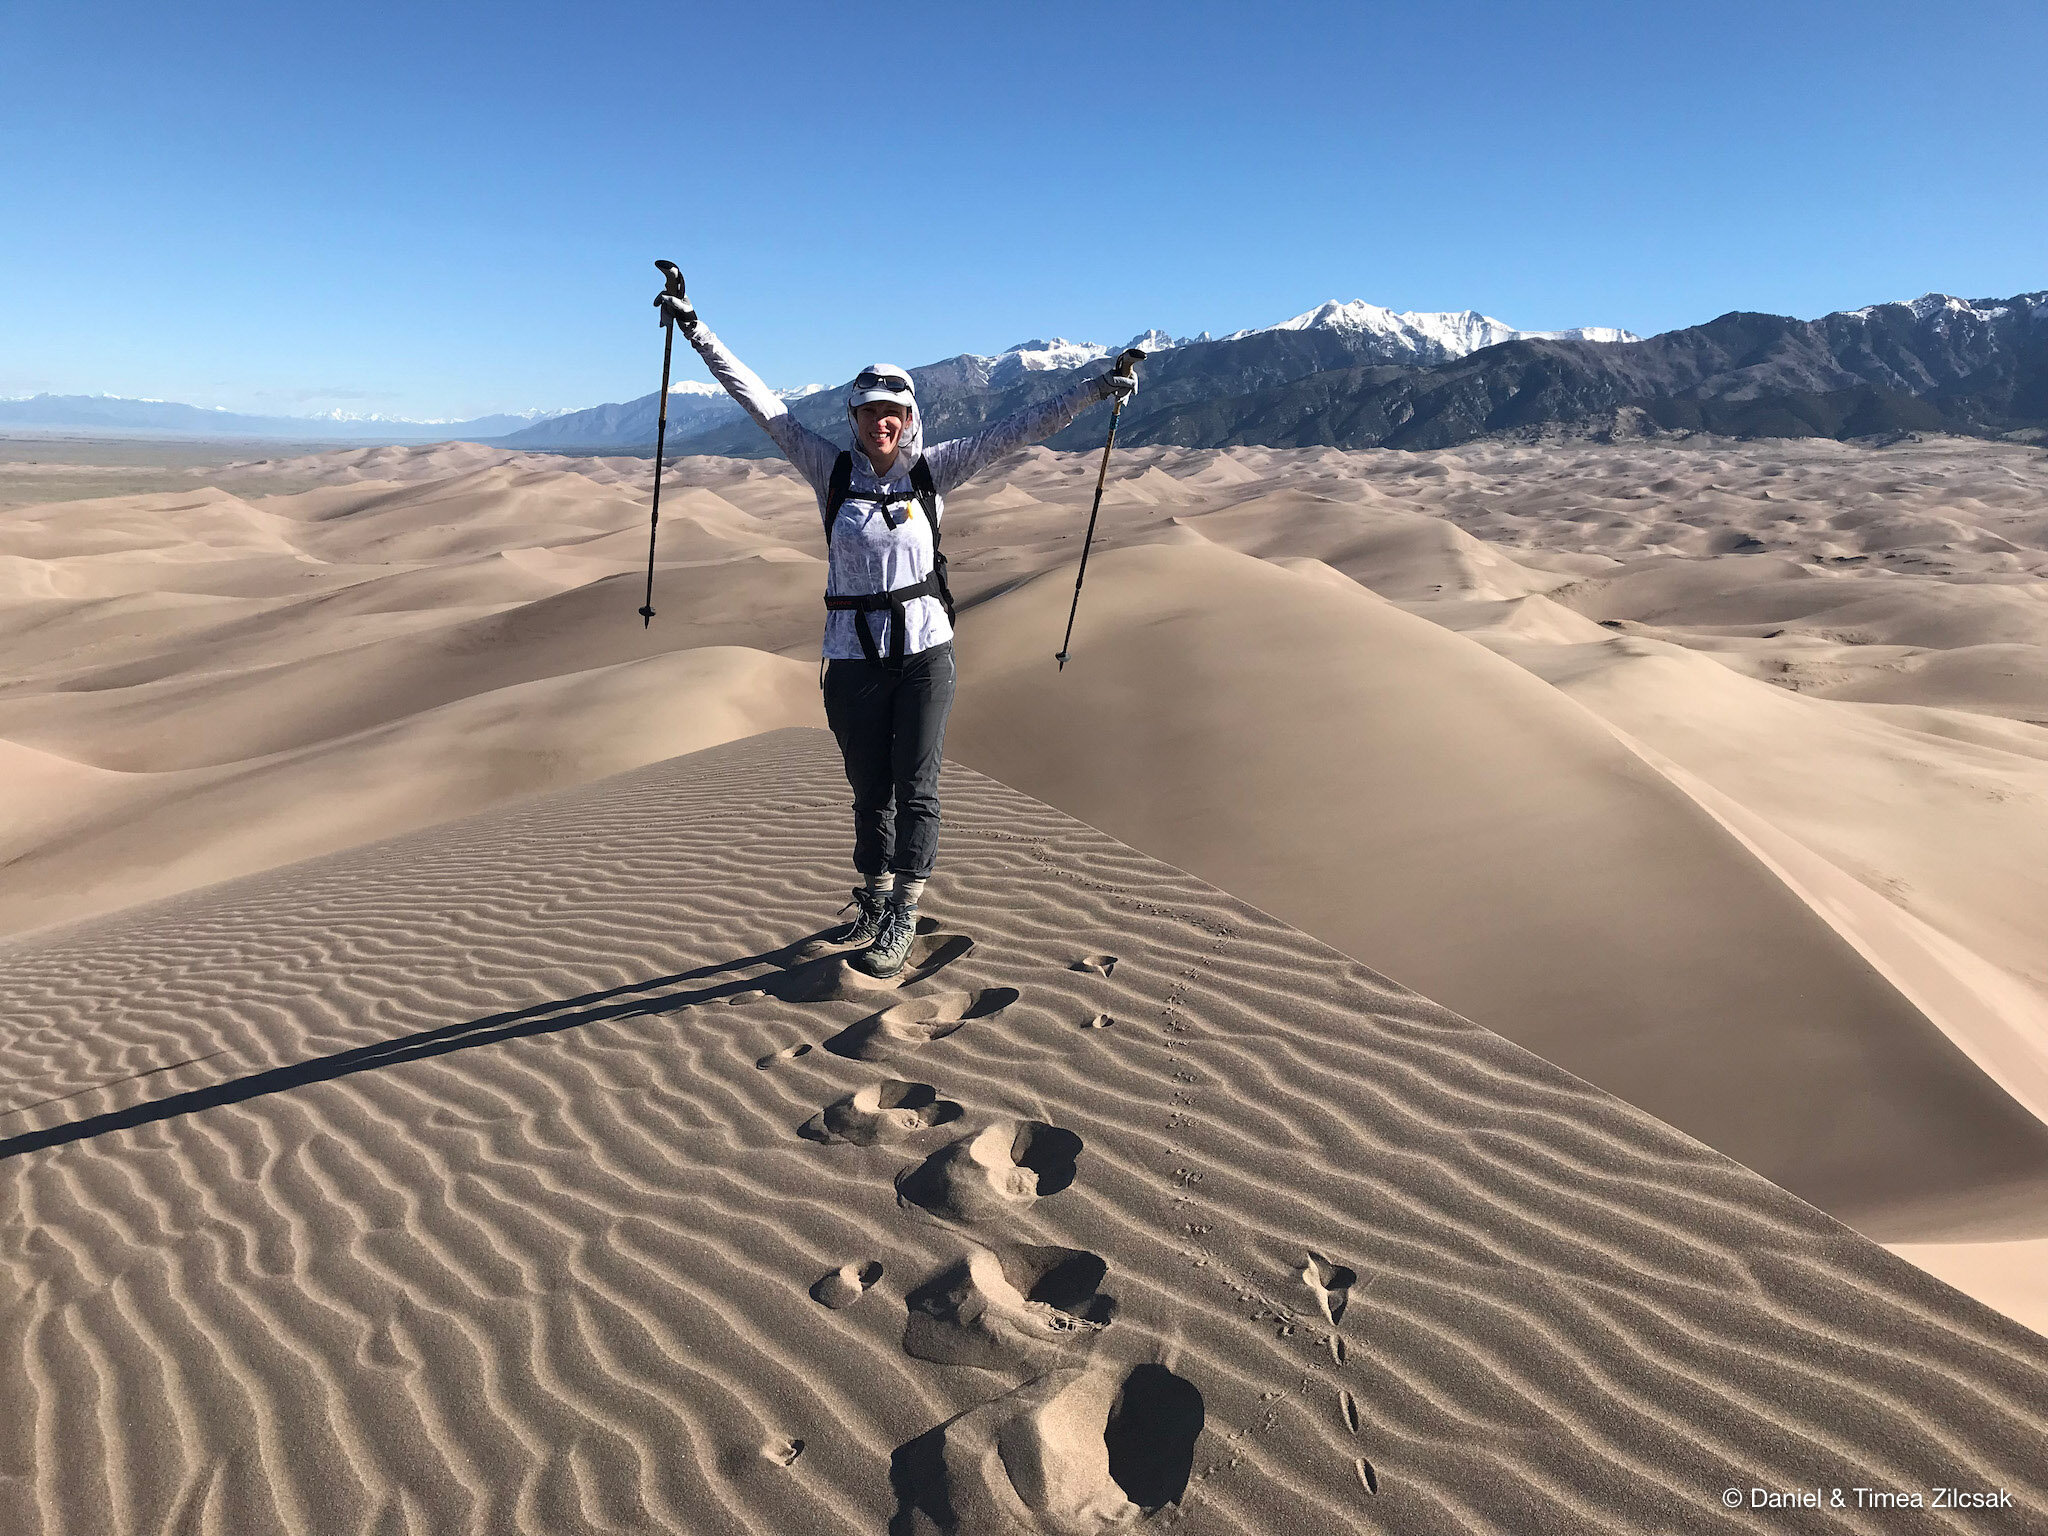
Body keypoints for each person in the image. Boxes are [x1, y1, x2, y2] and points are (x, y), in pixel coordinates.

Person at [656, 284, 1136, 978]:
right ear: (854, 417)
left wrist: (1099, 387)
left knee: (917, 786)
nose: (882, 422)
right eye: (870, 411)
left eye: (894, 412)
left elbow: (1022, 427)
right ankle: (874, 896)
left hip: (923, 655)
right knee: (867, 790)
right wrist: (696, 328)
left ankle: (905, 908)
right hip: (850, 657)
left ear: (908, 417)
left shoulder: (935, 470)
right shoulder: (831, 469)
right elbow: (760, 404)